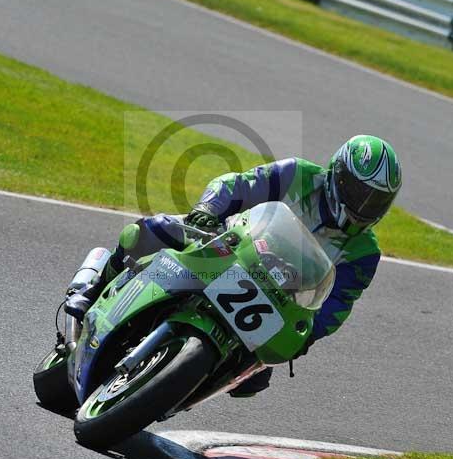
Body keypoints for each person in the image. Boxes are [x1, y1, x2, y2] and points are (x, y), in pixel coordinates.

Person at [66, 134, 402, 395]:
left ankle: (175, 387)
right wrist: (209, 210)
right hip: (225, 247)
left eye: (377, 201)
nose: (365, 206)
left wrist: (310, 334)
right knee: (150, 231)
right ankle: (93, 286)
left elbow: (338, 304)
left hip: (274, 302)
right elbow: (237, 185)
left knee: (252, 378)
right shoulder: (297, 174)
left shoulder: (363, 253)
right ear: (338, 175)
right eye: (360, 194)